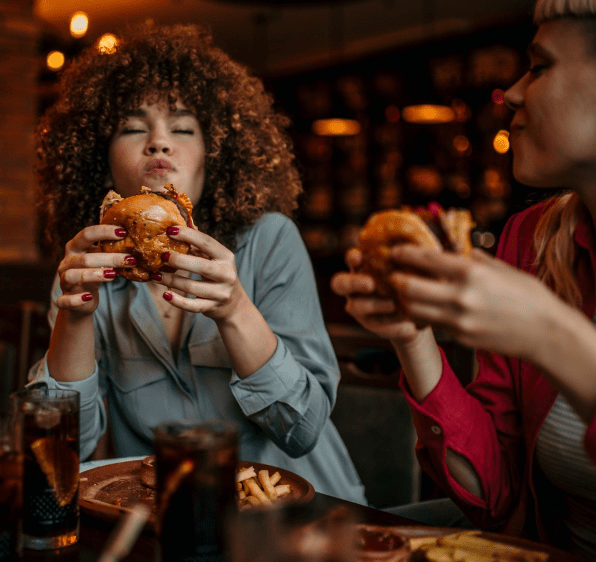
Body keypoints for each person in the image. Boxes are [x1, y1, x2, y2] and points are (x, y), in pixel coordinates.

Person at [332, 0, 596, 560]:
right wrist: (413, 336)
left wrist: (554, 337)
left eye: (539, 65)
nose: (510, 92)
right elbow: (498, 498)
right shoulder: (532, 241)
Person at [29, 23, 367, 504]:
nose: (159, 143)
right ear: (99, 162)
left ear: (215, 155)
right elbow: (57, 453)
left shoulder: (270, 241)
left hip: (300, 516)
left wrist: (234, 310)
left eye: (183, 128)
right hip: (165, 516)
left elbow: (303, 429)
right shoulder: (84, 263)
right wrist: (75, 318)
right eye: (132, 127)